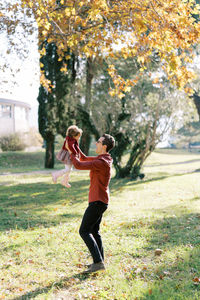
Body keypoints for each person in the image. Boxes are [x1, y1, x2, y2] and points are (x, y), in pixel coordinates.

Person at [66, 133, 115, 273]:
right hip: (100, 200)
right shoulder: (103, 158)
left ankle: (98, 262)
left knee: (84, 230)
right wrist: (74, 146)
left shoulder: (101, 162)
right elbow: (84, 158)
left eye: (98, 142)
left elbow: (79, 164)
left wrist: (71, 152)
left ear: (104, 146)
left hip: (97, 201)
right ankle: (100, 261)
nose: (96, 144)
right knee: (94, 231)